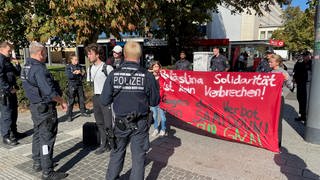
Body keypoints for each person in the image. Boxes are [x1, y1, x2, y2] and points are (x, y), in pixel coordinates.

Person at [100, 41, 160, 180]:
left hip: (121, 123)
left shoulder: (114, 74)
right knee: (138, 158)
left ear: (124, 54)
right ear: (139, 56)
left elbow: (104, 100)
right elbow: (154, 101)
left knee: (117, 153)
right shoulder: (147, 76)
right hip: (140, 123)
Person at [20, 41, 68, 180]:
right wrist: (62, 101)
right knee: (47, 138)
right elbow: (50, 93)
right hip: (45, 109)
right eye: (45, 53)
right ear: (40, 53)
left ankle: (37, 161)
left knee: (37, 134)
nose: (46, 55)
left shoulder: (26, 66)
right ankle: (47, 171)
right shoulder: (39, 69)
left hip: (35, 107)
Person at [86, 43, 114, 155]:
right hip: (96, 97)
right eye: (88, 54)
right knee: (99, 123)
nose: (89, 56)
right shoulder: (90, 69)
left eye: (90, 54)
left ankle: (112, 143)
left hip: (106, 98)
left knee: (108, 123)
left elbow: (114, 84)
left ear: (97, 55)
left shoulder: (107, 68)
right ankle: (104, 144)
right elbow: (90, 84)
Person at [268, 54, 294, 148]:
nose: (269, 63)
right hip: (270, 99)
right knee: (271, 119)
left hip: (279, 99)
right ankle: (271, 139)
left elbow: (291, 86)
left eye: (271, 61)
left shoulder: (283, 72)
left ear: (277, 62)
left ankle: (278, 142)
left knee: (278, 121)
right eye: (269, 61)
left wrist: (287, 79)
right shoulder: (270, 72)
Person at [0, 41, 23, 146]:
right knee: (6, 114)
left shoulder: (7, 60)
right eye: (9, 50)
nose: (10, 52)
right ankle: (6, 136)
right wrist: (9, 88)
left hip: (11, 90)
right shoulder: (0, 60)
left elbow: (16, 73)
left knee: (14, 112)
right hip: (5, 92)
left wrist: (17, 65)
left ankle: (14, 132)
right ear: (2, 49)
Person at [65, 54, 90, 122]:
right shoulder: (68, 67)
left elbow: (84, 74)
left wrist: (81, 73)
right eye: (75, 60)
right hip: (72, 85)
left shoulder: (79, 66)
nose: (77, 61)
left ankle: (83, 112)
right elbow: (68, 76)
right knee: (71, 100)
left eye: (77, 59)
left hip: (79, 84)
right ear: (71, 60)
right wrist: (74, 73)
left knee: (81, 98)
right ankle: (69, 115)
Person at [293, 51, 312, 123]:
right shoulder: (300, 63)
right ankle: (302, 115)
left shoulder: (311, 63)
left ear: (309, 56)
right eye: (303, 56)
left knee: (305, 101)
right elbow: (296, 71)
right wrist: (294, 78)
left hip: (306, 84)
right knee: (299, 99)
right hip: (300, 83)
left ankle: (306, 117)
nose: (304, 57)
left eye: (305, 56)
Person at [149, 61, 167, 137]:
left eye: (157, 66)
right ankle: (156, 129)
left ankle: (163, 129)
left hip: (161, 100)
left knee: (163, 117)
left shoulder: (163, 76)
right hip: (153, 99)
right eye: (154, 66)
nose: (156, 68)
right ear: (152, 68)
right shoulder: (149, 76)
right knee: (154, 116)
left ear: (160, 67)